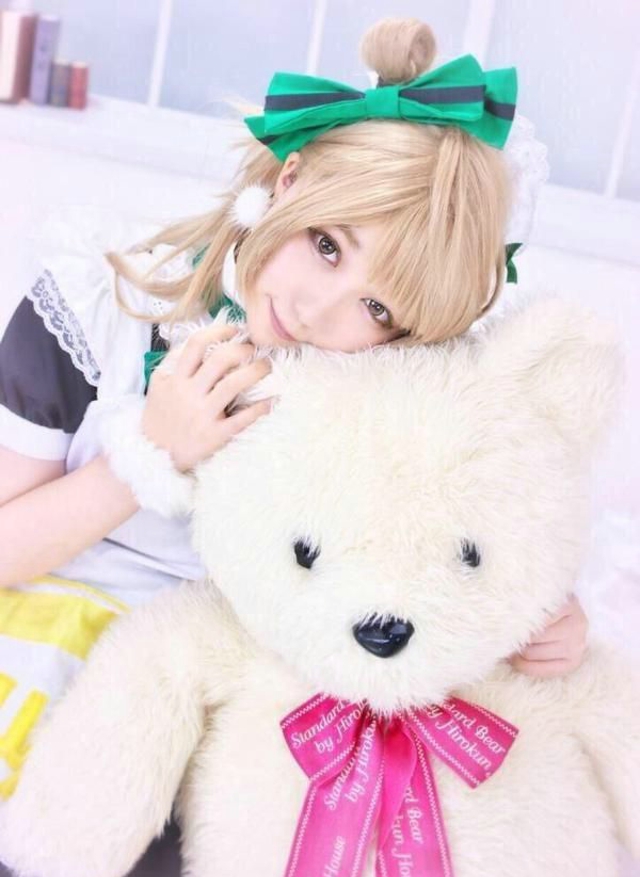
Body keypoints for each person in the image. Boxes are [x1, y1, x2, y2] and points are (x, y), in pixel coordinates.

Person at [0, 17, 587, 800]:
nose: (316, 309)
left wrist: (542, 618)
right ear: (290, 180)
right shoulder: (99, 305)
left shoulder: (386, 392)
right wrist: (148, 454)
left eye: (377, 308)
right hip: (42, 673)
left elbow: (449, 547)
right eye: (327, 244)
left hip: (241, 725)